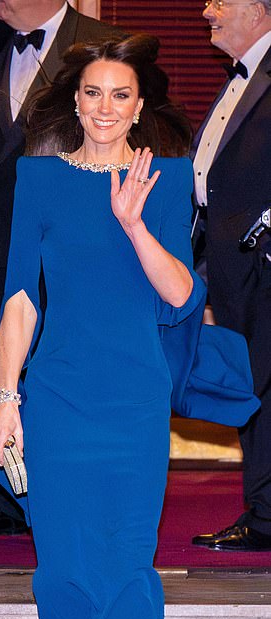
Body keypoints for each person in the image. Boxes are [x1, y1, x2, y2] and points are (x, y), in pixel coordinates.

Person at [0, 34, 257, 619]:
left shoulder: (165, 180)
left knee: (129, 571)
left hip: (132, 399)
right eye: (93, 94)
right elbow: (18, 296)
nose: (105, 108)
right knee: (63, 570)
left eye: (121, 96)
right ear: (75, 101)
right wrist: (6, 394)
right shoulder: (37, 179)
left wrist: (135, 223)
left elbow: (180, 296)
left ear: (140, 107)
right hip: (57, 393)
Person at [0, 0, 120, 538]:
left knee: (62, 362)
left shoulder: (99, 38)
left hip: (72, 235)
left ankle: (67, 491)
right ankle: (3, 497)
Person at [190, 0, 271, 552]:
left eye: (222, 0)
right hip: (228, 271)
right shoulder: (240, 79)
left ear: (260, 10)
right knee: (254, 391)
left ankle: (265, 518)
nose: (206, 10)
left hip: (262, 268)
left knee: (263, 394)